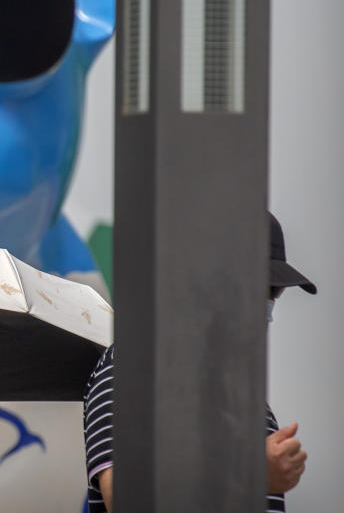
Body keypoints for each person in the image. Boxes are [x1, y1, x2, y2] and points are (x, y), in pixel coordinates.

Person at [83, 212, 317, 512]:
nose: (264, 313)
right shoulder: (131, 370)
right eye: (255, 293)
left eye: (272, 296)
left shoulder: (247, 401)